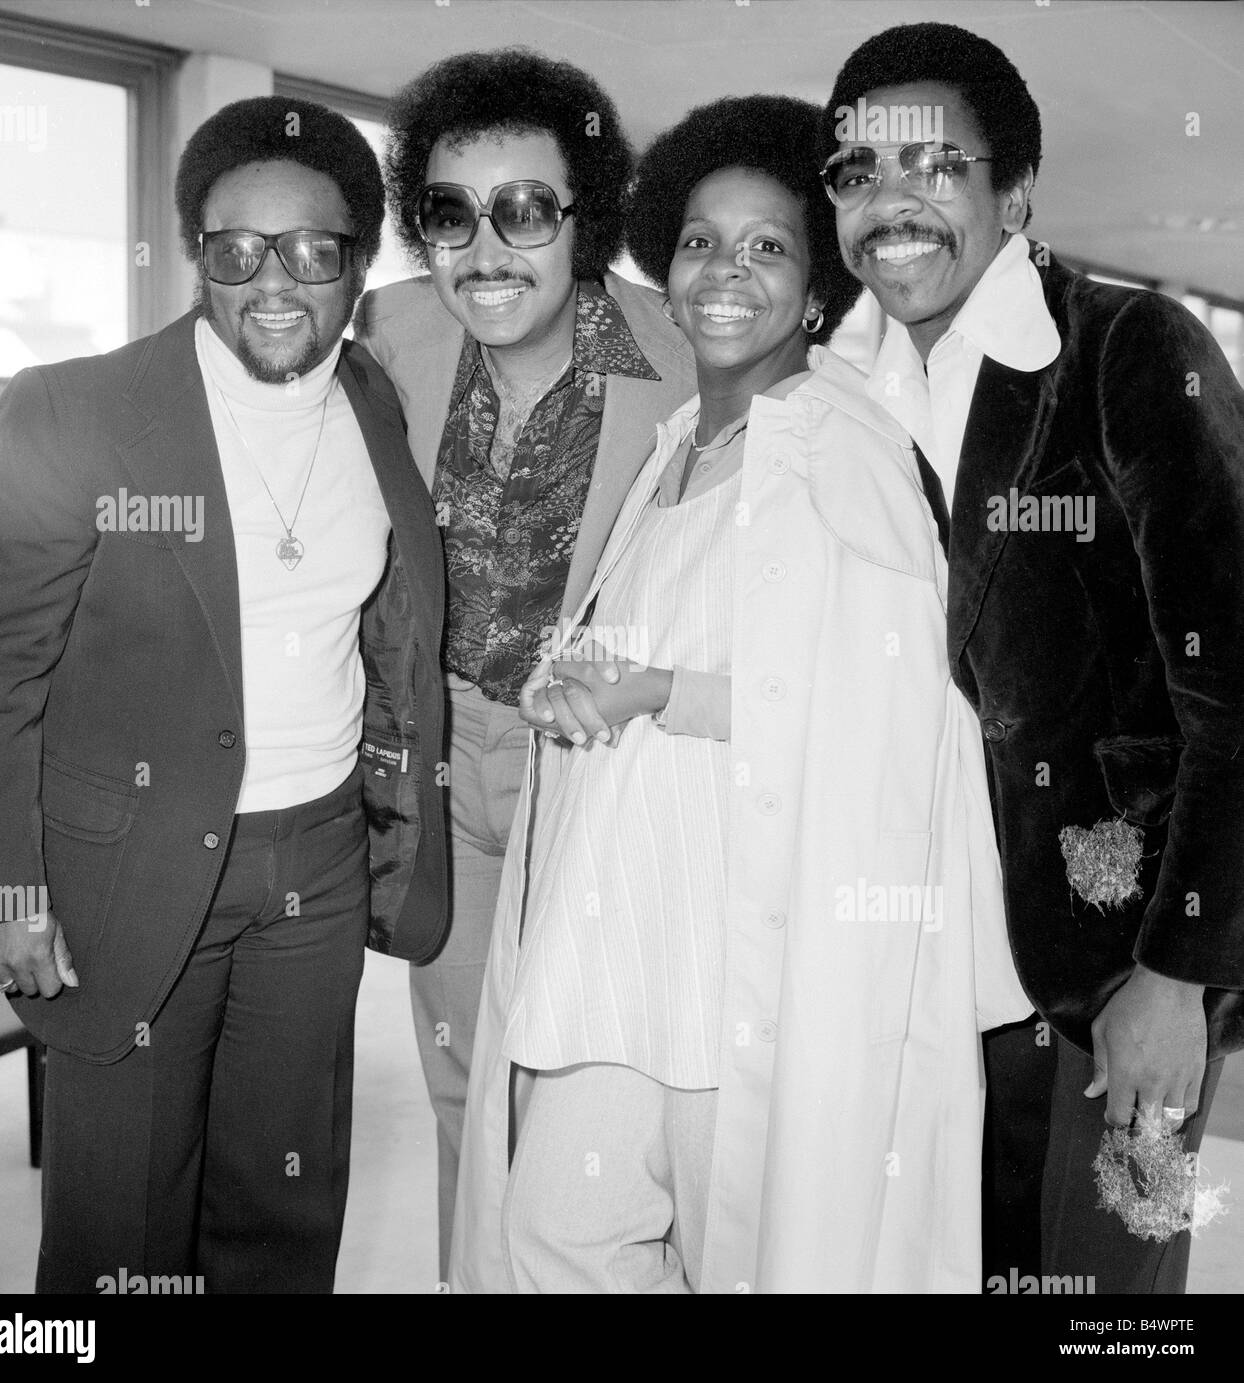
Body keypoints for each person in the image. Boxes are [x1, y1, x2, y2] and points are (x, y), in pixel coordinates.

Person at [451, 94, 1030, 1294]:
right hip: (616, 936)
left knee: (756, 1262)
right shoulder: (674, 447)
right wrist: (597, 680)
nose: (728, 271)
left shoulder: (843, 446)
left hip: (753, 965)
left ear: (817, 291)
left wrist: (660, 689)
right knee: (553, 1240)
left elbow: (887, 729)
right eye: (702, 243)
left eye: (768, 246)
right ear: (664, 269)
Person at [0, 96, 446, 1294]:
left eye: (311, 251)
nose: (271, 284)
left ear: (357, 265)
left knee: (281, 1212)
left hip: (313, 873)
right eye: (234, 250)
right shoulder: (78, 410)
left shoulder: (372, 400)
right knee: (117, 1236)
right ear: (197, 256)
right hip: (130, 869)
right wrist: (1, 887)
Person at [821, 21, 1244, 1293]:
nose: (889, 204)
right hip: (901, 976)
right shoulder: (830, 394)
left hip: (1110, 973)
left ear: (1011, 194)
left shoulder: (1125, 349)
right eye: (855, 175)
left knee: (1103, 1302)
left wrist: (1178, 975)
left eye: (933, 166)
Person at [352, 46, 695, 1276]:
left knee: (600, 1110)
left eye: (526, 209)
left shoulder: (684, 365)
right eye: (449, 213)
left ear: (584, 217)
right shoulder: (390, 334)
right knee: (464, 1094)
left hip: (606, 769)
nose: (485, 249)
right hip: (444, 770)